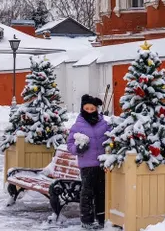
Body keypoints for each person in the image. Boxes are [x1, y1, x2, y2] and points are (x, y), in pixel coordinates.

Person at [67, 94, 108, 229]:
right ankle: (87, 220)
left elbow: (111, 137)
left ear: (96, 109)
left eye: (92, 108)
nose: (90, 111)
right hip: (87, 166)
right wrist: (78, 148)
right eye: (87, 108)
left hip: (101, 164)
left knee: (101, 193)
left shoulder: (104, 123)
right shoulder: (78, 124)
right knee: (87, 193)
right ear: (82, 109)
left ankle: (102, 218)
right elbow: (70, 144)